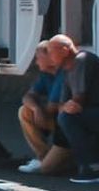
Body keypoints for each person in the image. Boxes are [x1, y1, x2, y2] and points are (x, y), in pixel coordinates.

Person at [40, 34, 99, 183]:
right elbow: (62, 104)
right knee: (49, 166)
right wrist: (67, 106)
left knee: (67, 118)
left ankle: (91, 169)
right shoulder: (65, 70)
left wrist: (69, 106)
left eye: (51, 51)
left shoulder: (82, 60)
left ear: (64, 50)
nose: (48, 55)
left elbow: (78, 100)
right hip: (94, 117)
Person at [16, 41, 64, 174]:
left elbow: (55, 105)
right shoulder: (45, 75)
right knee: (25, 111)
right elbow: (28, 96)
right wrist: (36, 109)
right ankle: (42, 155)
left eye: (38, 58)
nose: (36, 62)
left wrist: (44, 111)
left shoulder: (65, 72)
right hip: (54, 117)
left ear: (50, 57)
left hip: (69, 119)